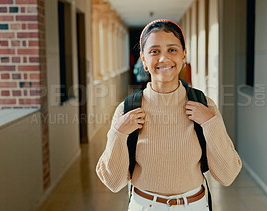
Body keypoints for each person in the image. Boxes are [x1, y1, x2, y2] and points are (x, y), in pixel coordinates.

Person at [96, 19, 242, 211]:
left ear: (184, 56)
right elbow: (113, 183)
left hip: (194, 206)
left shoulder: (204, 105)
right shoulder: (127, 109)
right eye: (154, 51)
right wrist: (119, 133)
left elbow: (227, 175)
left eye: (172, 50)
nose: (163, 59)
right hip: (144, 206)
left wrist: (210, 123)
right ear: (144, 60)